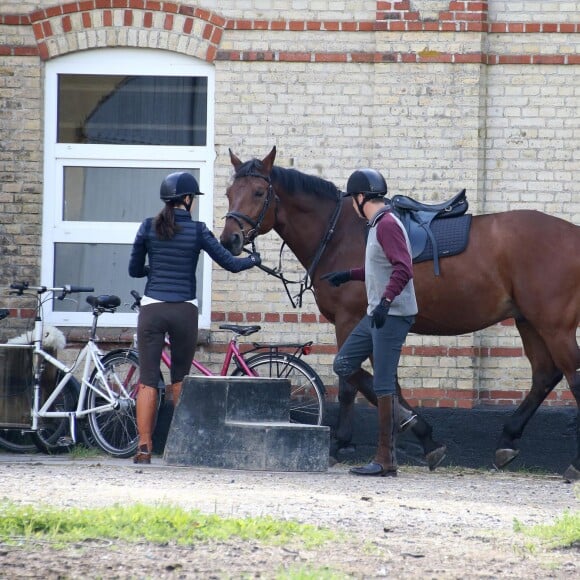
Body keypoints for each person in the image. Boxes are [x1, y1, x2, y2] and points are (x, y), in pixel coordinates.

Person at [128, 171, 261, 464]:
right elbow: (230, 264)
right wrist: (253, 259)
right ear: (187, 199)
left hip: (152, 309)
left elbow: (134, 270)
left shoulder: (148, 227)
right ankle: (183, 444)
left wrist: (155, 272)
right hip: (183, 310)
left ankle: (144, 446)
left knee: (148, 379)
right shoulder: (198, 230)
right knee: (179, 377)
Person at [321, 168, 417, 477]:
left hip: (392, 315)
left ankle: (386, 459)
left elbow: (404, 268)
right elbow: (379, 267)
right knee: (344, 364)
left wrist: (387, 301)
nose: (351, 204)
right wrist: (348, 274)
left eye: (353, 199)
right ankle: (400, 414)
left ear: (361, 198)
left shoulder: (387, 224)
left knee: (384, 383)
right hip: (379, 311)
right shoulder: (376, 224)